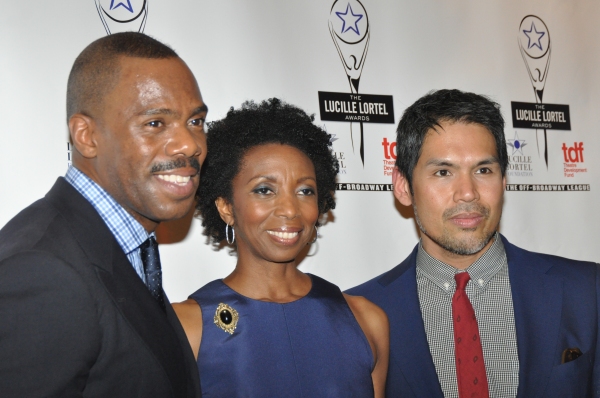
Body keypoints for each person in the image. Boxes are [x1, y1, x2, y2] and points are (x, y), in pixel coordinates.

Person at [348, 89, 600, 398]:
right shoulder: (357, 315)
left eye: (483, 170)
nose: (467, 193)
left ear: (504, 180)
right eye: (443, 172)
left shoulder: (586, 291)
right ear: (403, 186)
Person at [0, 32, 207, 397]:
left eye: (195, 121)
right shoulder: (41, 269)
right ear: (86, 136)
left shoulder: (123, 243)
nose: (190, 144)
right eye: (156, 123)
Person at [173, 98, 389, 398]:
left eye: (305, 191)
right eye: (265, 190)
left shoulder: (366, 320)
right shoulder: (187, 327)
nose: (290, 209)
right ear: (225, 207)